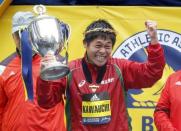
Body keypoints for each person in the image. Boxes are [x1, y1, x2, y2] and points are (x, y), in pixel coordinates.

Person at [37, 19, 165, 131]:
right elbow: (46, 102)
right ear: (85, 44)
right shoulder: (70, 70)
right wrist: (44, 77)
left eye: (107, 46)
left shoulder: (120, 68)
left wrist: (154, 41)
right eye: (98, 46)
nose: (102, 51)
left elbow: (152, 73)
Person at [0, 11, 66, 131]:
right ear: (12, 37)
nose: (22, 39)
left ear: (36, 34)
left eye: (27, 33)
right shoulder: (3, 67)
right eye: (18, 34)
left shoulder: (56, 62)